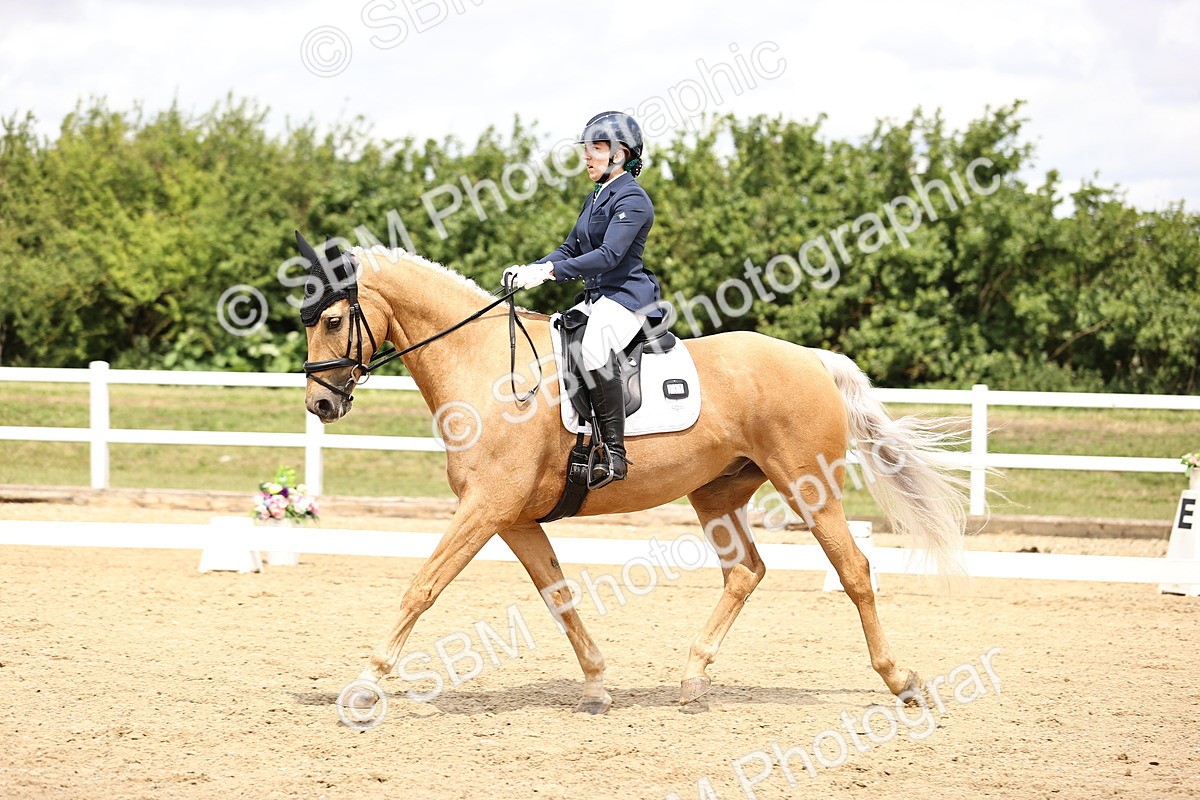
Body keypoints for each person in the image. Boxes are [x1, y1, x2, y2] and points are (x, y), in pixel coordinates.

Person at [503, 111, 661, 485]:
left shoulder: (634, 200)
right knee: (555, 341)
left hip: (625, 297)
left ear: (621, 154)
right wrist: (533, 268)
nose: (587, 156)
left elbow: (608, 256)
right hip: (595, 296)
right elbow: (570, 246)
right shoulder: (597, 197)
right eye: (587, 149)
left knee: (593, 349)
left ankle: (614, 454)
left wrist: (552, 273)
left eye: (596, 148)